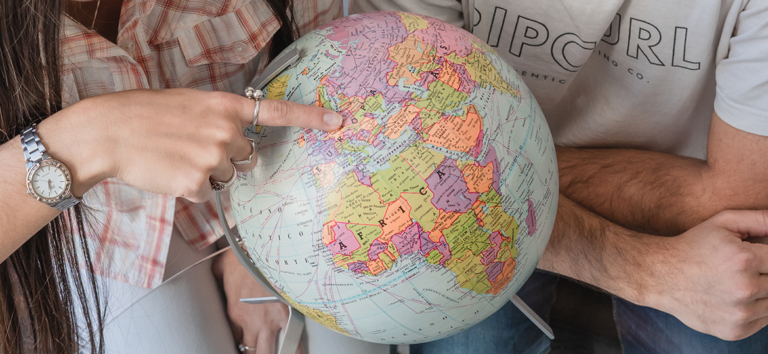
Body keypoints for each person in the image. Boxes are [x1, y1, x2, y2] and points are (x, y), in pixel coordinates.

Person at [348, 0, 768, 353]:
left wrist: (486, 172)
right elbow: (403, 155)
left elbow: (736, 192)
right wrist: (647, 273)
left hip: (681, 226)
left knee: (734, 308)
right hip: (478, 218)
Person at [0, 0, 386, 353]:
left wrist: (252, 245)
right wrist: (92, 138)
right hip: (90, 235)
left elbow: (319, 65)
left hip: (273, 176)